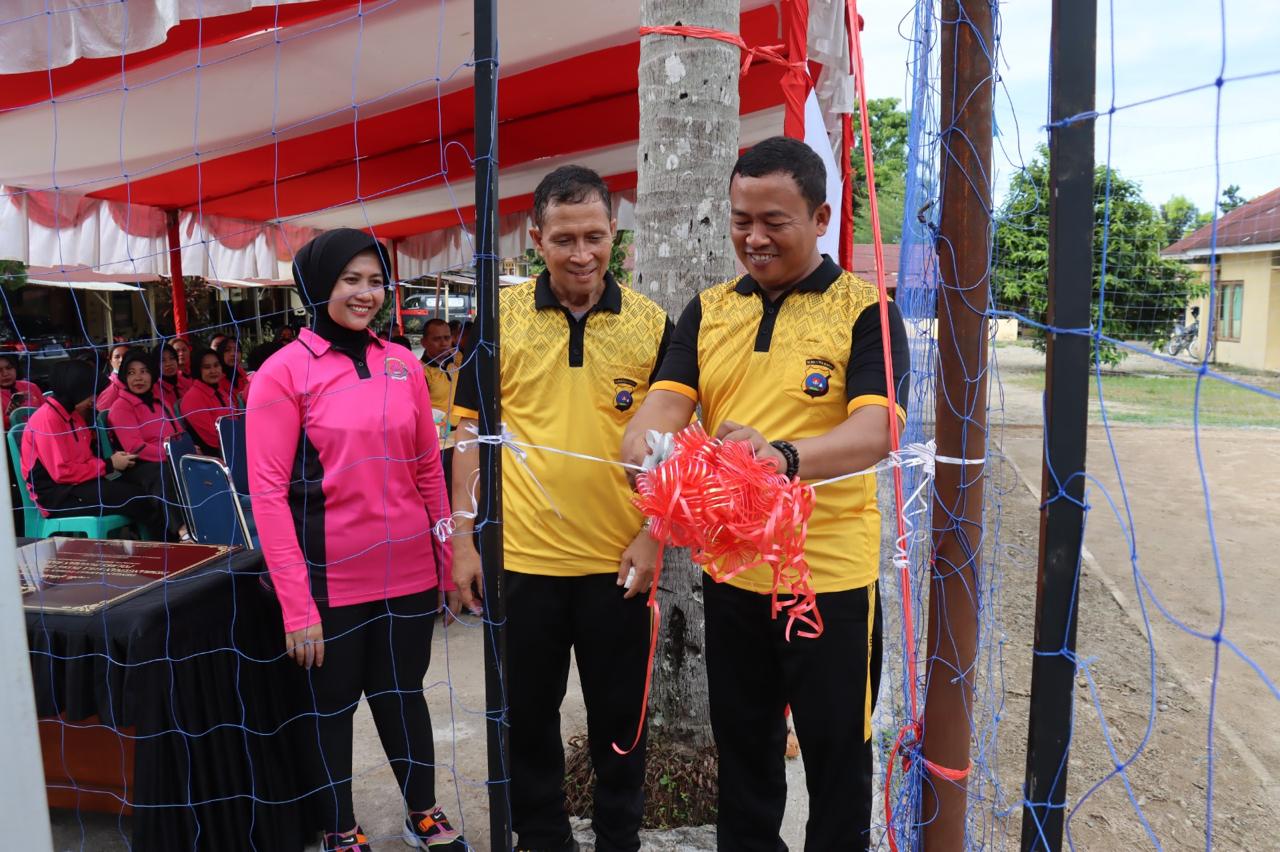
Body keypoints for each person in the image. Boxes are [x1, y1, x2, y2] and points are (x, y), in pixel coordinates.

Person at [621, 136, 910, 851]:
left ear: (818, 217)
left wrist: (779, 458)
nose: (753, 237)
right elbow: (662, 410)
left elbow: (876, 431)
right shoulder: (709, 310)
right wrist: (649, 453)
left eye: (774, 221)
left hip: (827, 583)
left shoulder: (865, 311)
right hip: (733, 575)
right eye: (741, 219)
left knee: (837, 753)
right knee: (746, 752)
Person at [452, 165, 670, 852]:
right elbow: (468, 435)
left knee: (619, 724)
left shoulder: (652, 326)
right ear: (537, 240)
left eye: (597, 236)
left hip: (619, 567)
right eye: (566, 238)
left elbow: (675, 449)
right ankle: (543, 839)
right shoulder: (501, 319)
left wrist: (654, 537)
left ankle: (618, 840)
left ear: (617, 236)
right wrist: (462, 541)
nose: (583, 254)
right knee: (527, 721)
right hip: (522, 563)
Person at [247, 228, 465, 852]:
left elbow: (429, 468)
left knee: (404, 696)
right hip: (329, 579)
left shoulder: (403, 363)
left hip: (411, 573)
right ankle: (341, 829)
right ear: (318, 286)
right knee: (332, 706)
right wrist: (296, 603)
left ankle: (422, 813)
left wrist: (445, 563)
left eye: (376, 280)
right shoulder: (282, 372)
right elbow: (267, 494)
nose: (367, 293)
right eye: (351, 280)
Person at [20, 359, 163, 534]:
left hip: (83, 484)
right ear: (76, 391)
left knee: (144, 489)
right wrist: (109, 464)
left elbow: (84, 458)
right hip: (58, 496)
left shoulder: (74, 415)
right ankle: (164, 546)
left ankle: (157, 543)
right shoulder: (47, 420)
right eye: (90, 393)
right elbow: (63, 472)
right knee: (136, 499)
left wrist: (112, 462)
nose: (93, 399)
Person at [106, 348, 188, 539]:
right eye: (131, 373)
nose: (138, 378)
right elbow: (136, 447)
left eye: (144, 371)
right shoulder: (121, 406)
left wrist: (188, 450)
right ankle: (182, 530)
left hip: (170, 456)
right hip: (139, 465)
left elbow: (179, 432)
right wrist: (170, 455)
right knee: (164, 474)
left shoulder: (161, 401)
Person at [180, 348, 234, 454]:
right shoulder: (192, 398)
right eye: (207, 367)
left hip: (232, 447)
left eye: (216, 365)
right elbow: (212, 439)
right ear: (197, 370)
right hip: (214, 457)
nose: (213, 371)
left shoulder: (220, 391)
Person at [419, 318, 458, 431]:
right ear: (423, 343)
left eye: (447, 338)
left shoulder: (455, 366)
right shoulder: (420, 372)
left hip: (461, 430)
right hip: (438, 434)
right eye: (437, 339)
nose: (444, 343)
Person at [1, 351, 42, 429]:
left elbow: (45, 413)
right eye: (0, 370)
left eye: (9, 368)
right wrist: (11, 415)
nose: (5, 373)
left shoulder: (31, 387)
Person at [154, 342, 194, 410]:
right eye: (163, 360)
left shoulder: (188, 383)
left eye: (172, 358)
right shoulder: (154, 389)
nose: (168, 364)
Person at [94, 342, 131, 410]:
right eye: (117, 357)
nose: (121, 360)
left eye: (126, 356)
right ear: (111, 361)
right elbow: (101, 414)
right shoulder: (109, 386)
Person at [215, 336, 250, 404]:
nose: (233, 354)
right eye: (227, 350)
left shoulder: (242, 375)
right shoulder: (215, 377)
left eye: (237, 350)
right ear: (220, 353)